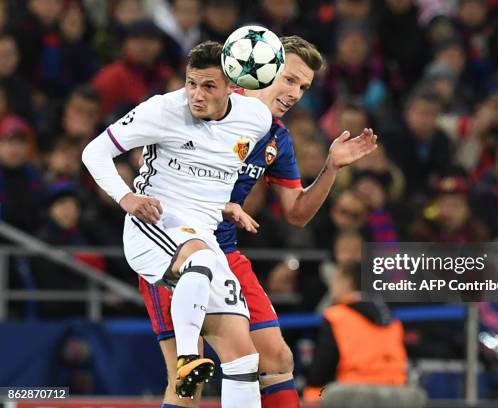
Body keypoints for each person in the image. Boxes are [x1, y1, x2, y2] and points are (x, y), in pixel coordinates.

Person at [138, 35, 378, 408]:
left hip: (226, 253)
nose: (296, 92)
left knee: (277, 360)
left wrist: (330, 167)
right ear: (261, 68)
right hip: (172, 248)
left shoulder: (276, 138)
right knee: (187, 381)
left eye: (304, 86)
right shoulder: (205, 109)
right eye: (290, 79)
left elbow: (297, 213)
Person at [82, 41, 271, 407]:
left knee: (243, 357)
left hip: (205, 232)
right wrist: (126, 198)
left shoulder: (256, 119)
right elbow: (94, 151)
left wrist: (224, 205)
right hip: (154, 221)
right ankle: (188, 358)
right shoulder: (162, 110)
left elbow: (218, 168)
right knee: (197, 260)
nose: (196, 95)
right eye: (191, 84)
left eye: (209, 87)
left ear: (232, 86)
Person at [304, 262, 408, 401]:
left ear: (347, 282)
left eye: (335, 280)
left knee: (313, 393)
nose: (331, 286)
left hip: (354, 394)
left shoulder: (337, 316)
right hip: (396, 393)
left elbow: (322, 368)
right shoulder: (391, 317)